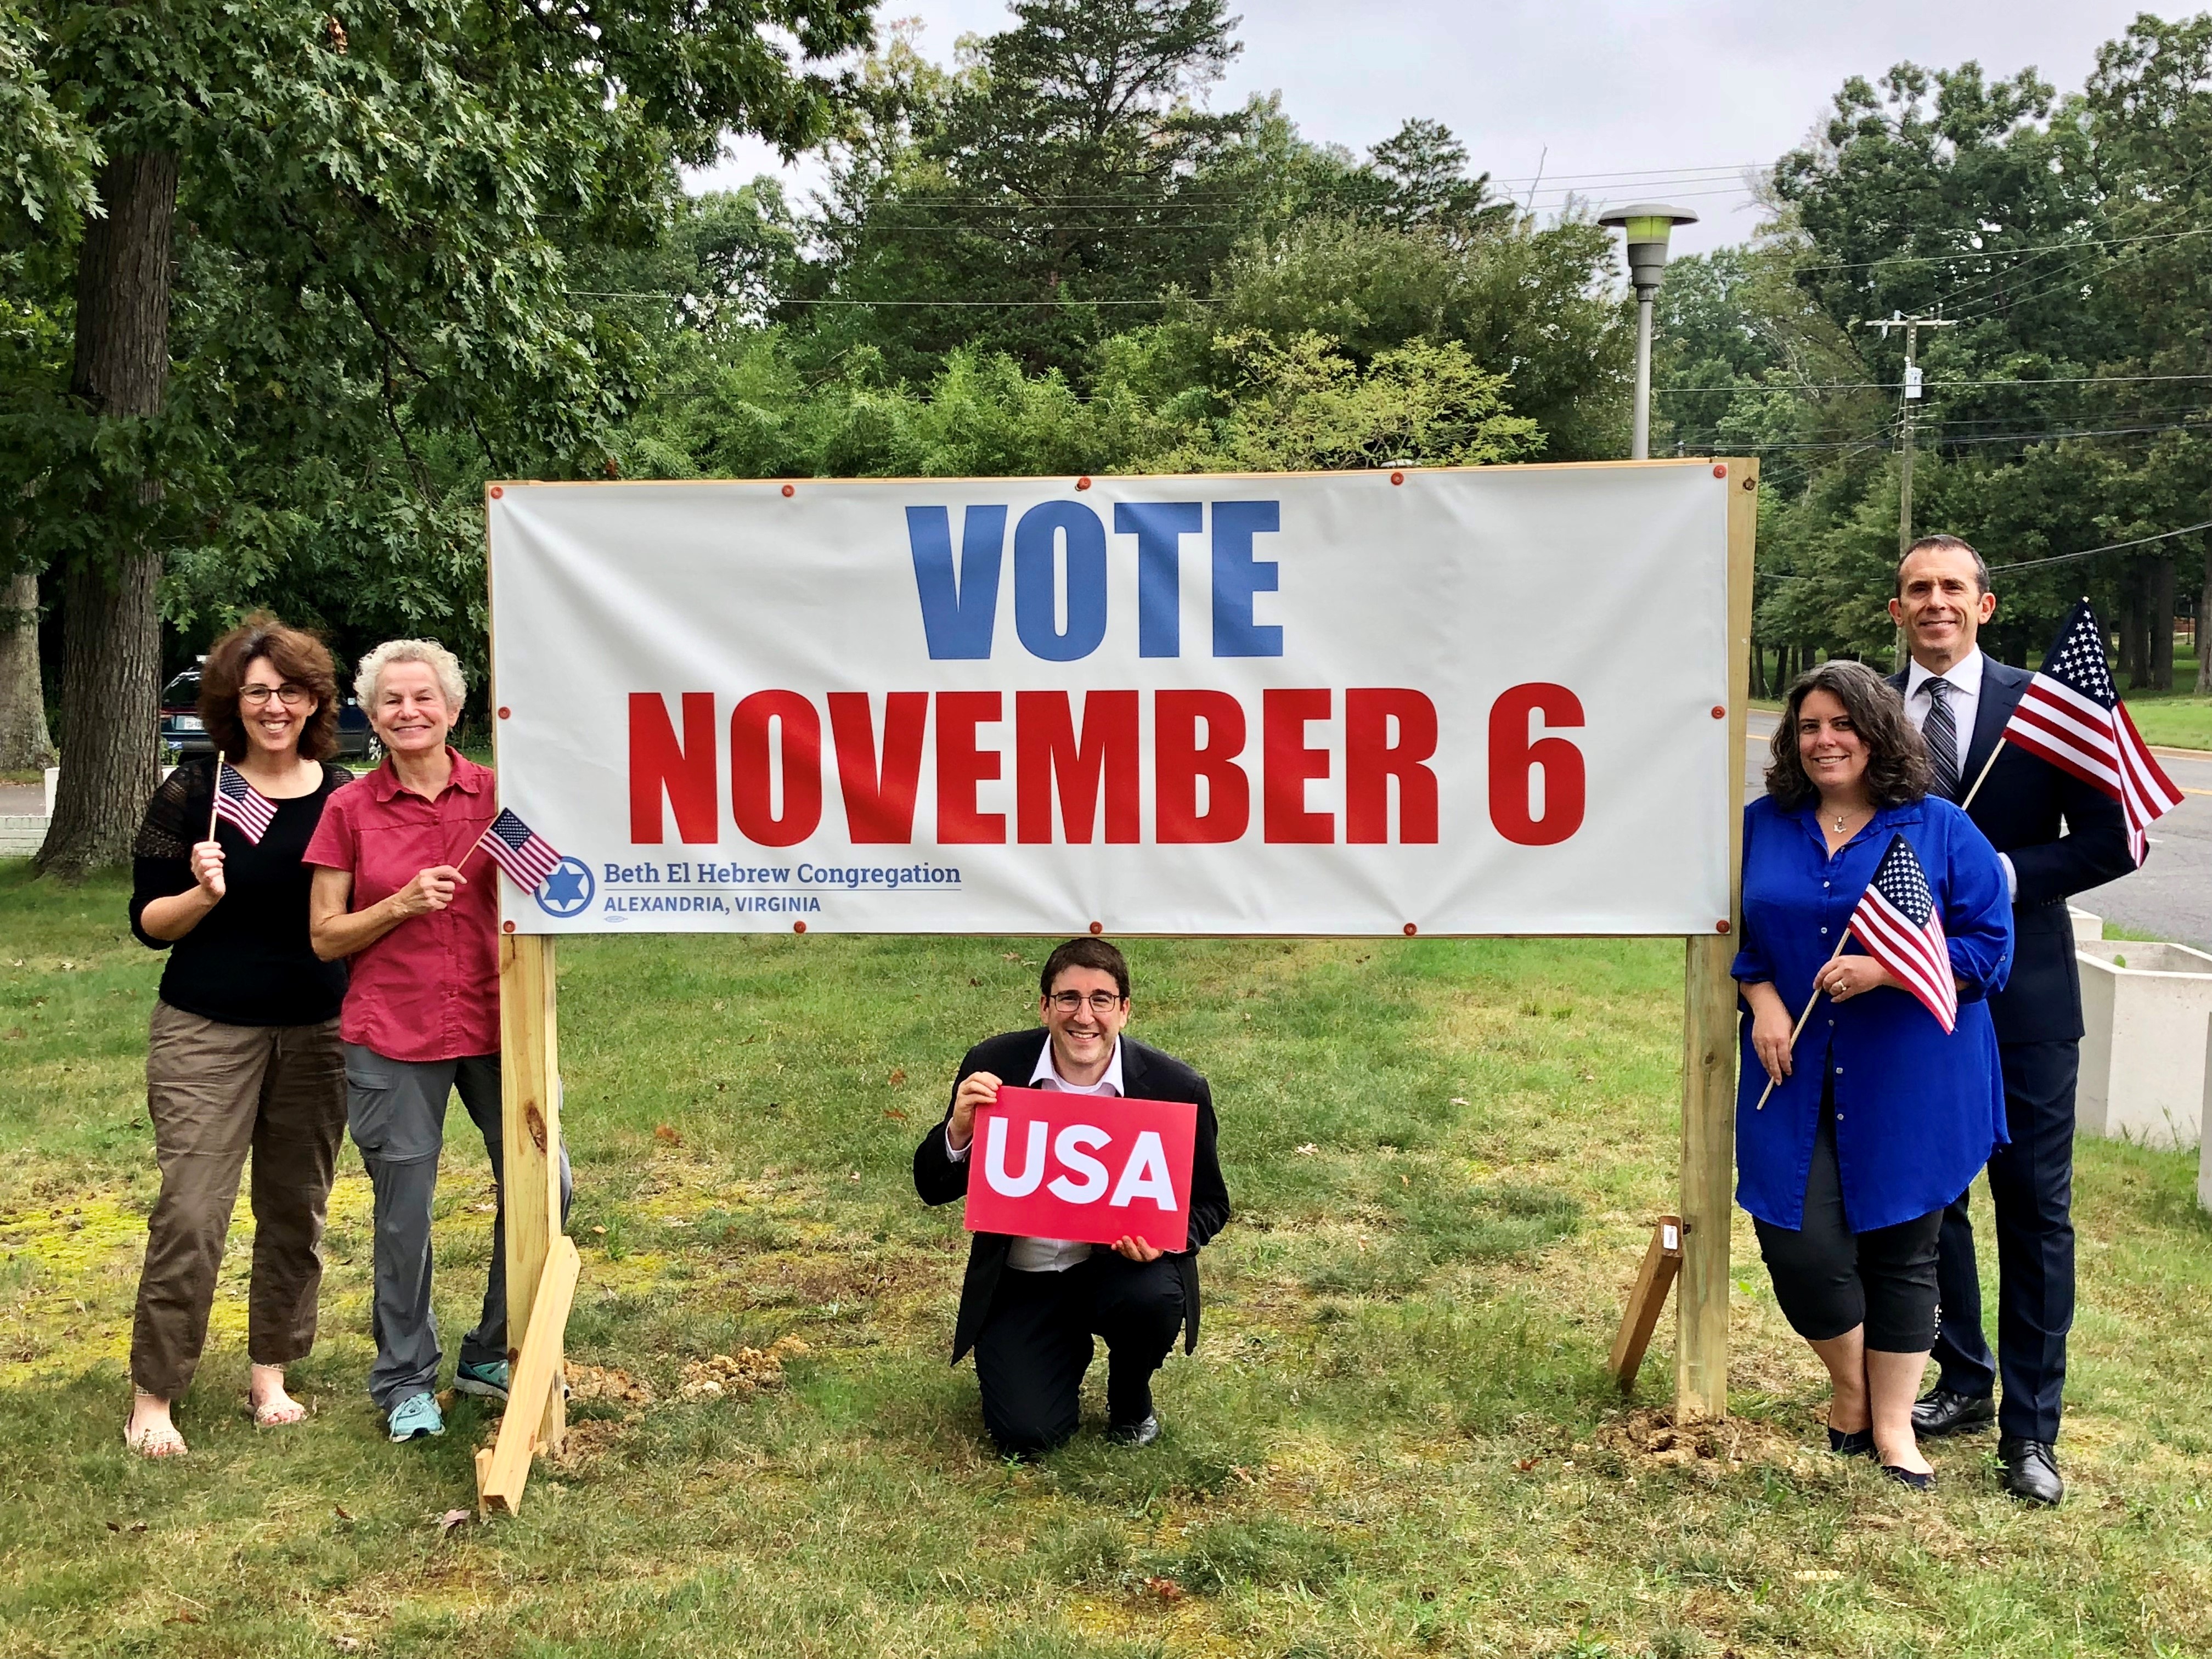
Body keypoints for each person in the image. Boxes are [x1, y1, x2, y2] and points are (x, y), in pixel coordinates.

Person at [1887, 534, 2136, 1506]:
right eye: (1918, 589)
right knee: (1930, 1201)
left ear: (1983, 606)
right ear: (1897, 608)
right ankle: (1962, 1376)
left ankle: (2032, 1431)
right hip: (1910, 995)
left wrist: (2005, 873)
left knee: (2032, 1211)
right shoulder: (1869, 706)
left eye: (1953, 587)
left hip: (2023, 1000)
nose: (1935, 601)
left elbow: (2113, 840)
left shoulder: (2047, 709)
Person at [1733, 659, 2013, 1491]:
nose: (1825, 741)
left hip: (1912, 1074)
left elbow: (1989, 951)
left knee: (1903, 1249)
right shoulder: (1763, 825)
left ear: (1877, 731)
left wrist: (1887, 970)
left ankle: (1893, 1428)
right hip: (1793, 1065)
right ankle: (1851, 1389)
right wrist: (1763, 998)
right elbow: (1737, 929)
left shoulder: (1938, 830)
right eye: (1810, 726)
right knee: (1797, 1242)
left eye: (1842, 724)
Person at [304, 638, 571, 1443]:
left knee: (548, 1184)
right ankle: (404, 1381)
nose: (409, 712)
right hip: (393, 1032)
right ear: (372, 716)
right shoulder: (349, 809)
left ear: (455, 710)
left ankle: (490, 1350)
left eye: (425, 698)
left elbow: (555, 886)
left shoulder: (499, 797)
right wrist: (399, 906)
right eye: (392, 700)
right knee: (403, 1214)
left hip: (499, 1027)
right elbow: (323, 936)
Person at [123, 617, 357, 1458]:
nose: (273, 705)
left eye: (290, 690)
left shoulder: (344, 793)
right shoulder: (194, 791)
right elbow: (150, 923)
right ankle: (155, 1395)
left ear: (314, 701)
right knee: (191, 1211)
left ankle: (272, 1371)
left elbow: (363, 911)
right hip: (205, 1029)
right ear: (232, 699)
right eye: (257, 690)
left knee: (295, 1209)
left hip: (318, 1030)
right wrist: (202, 897)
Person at [914, 938, 1229, 1457]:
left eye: (1101, 999)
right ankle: (1047, 1357)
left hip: (1117, 1271)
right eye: (1068, 998)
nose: (1085, 1016)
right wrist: (959, 1130)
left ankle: (1130, 1396)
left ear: (1124, 1011)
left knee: (1151, 1298)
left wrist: (1167, 1241)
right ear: (1045, 1006)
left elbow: (1212, 1203)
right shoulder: (996, 1066)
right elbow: (932, 1187)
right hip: (1025, 1277)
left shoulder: (1176, 1086)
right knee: (1027, 1436)